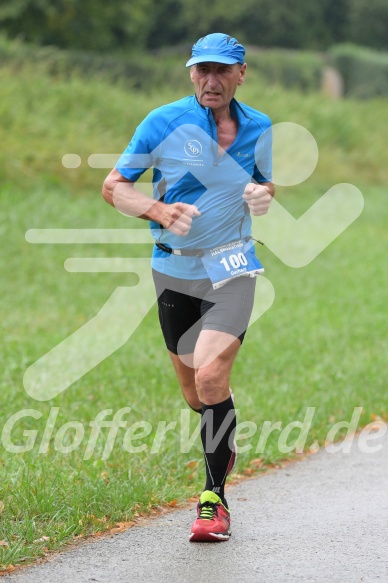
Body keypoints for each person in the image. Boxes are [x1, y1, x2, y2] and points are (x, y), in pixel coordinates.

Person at [102, 32, 275, 542]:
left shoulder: (260, 126)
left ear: (241, 74)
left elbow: (265, 182)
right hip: (173, 269)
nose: (211, 80)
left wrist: (261, 194)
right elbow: (114, 185)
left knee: (210, 378)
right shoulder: (163, 121)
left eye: (222, 71)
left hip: (233, 266)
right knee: (194, 393)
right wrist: (157, 210)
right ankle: (220, 431)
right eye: (202, 70)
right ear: (191, 73)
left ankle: (212, 499)